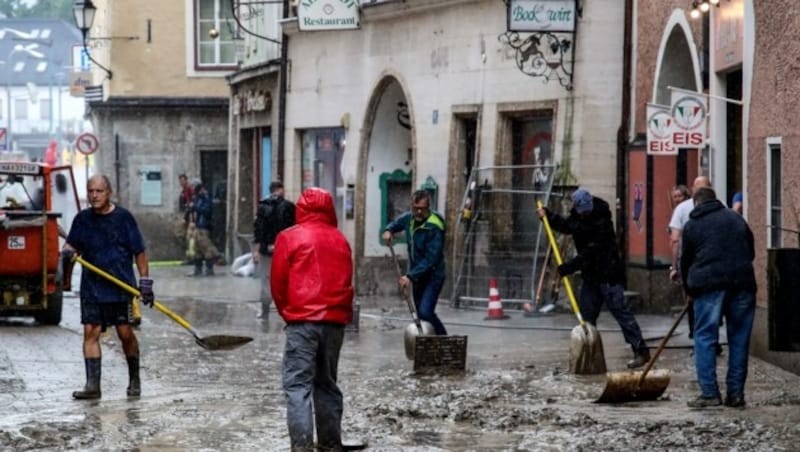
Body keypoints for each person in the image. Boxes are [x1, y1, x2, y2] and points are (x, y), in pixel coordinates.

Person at [270, 187, 354, 451]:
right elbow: (347, 281)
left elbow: (278, 284)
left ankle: (302, 446)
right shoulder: (341, 240)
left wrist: (289, 313)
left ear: (301, 209)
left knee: (297, 386)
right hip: (335, 322)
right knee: (327, 383)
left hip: (302, 322)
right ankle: (330, 443)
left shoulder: (289, 238)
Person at [61, 174, 154, 400]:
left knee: (125, 333)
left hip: (120, 286)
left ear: (108, 192)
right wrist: (67, 258)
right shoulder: (82, 220)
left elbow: (139, 251)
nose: (94, 196)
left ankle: (134, 378)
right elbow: (70, 246)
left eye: (99, 191)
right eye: (90, 191)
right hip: (92, 286)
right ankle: (93, 385)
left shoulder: (124, 218)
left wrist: (145, 283)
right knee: (91, 332)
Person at [537, 188, 650, 368]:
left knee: (621, 313)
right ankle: (591, 357)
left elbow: (592, 252)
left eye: (586, 211)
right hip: (591, 277)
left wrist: (570, 266)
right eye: (582, 212)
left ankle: (640, 351)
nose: (584, 214)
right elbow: (568, 226)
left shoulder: (601, 219)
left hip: (608, 275)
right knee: (587, 318)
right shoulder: (578, 216)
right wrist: (548, 215)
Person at [680, 187, 756, 409]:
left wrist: (689, 290)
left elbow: (686, 262)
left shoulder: (693, 225)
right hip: (742, 284)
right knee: (739, 340)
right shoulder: (736, 219)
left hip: (709, 285)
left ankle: (710, 393)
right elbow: (750, 252)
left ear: (696, 204)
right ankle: (736, 394)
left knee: (705, 337)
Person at [382, 190, 448, 336]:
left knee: (426, 312)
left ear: (428, 207)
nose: (418, 212)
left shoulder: (435, 225)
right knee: (419, 314)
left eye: (422, 209)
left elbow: (431, 259)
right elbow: (396, 224)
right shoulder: (409, 218)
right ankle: (428, 343)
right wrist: (388, 230)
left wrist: (409, 276)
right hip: (418, 277)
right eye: (415, 208)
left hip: (433, 275)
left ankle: (444, 340)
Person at [668, 176, 712, 339]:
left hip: (691, 262)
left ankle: (697, 333)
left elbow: (674, 240)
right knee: (712, 300)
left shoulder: (682, 209)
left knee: (692, 299)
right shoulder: (722, 208)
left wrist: (674, 267)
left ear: (692, 190)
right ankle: (709, 335)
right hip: (712, 262)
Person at [252, 181, 295, 319]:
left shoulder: (263, 206)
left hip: (266, 249)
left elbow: (258, 230)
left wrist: (257, 249)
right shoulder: (289, 207)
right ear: (280, 189)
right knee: (286, 279)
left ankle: (265, 310)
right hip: (285, 250)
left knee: (265, 279)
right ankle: (288, 310)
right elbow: (295, 228)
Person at [187, 181, 220, 276]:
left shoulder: (206, 198)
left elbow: (206, 211)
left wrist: (196, 207)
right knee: (197, 249)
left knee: (207, 248)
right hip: (197, 226)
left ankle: (210, 269)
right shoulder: (198, 198)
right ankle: (198, 269)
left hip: (204, 227)